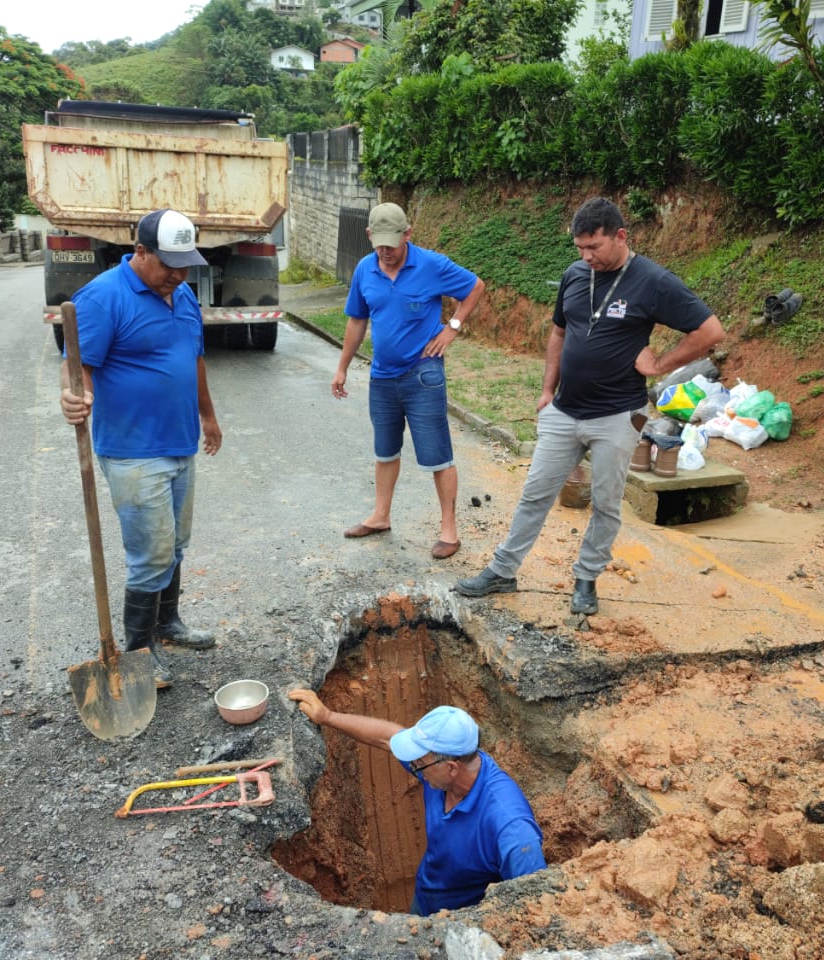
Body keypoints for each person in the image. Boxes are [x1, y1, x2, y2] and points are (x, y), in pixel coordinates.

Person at [455, 197, 725, 616]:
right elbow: (558, 335)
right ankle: (503, 570)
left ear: (620, 236)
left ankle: (586, 579)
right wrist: (548, 391)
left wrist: (659, 365)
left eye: (594, 247)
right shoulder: (575, 275)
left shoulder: (653, 281)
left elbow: (709, 330)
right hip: (565, 411)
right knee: (535, 494)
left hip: (618, 416)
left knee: (605, 502)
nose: (586, 257)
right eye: (580, 248)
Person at [59, 208, 223, 690]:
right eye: (168, 263)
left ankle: (167, 623)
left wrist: (207, 415)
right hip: (131, 450)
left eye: (185, 263)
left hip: (179, 442)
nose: (178, 273)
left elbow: (193, 359)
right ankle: (137, 651)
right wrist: (75, 398)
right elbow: (79, 367)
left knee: (174, 543)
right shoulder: (103, 298)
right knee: (150, 553)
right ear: (140, 252)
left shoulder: (184, 295)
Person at [286, 690, 546, 915]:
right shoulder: (438, 771)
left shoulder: (511, 829)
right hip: (425, 900)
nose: (413, 768)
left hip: (463, 926)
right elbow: (388, 737)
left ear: (452, 767)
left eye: (418, 763)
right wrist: (328, 717)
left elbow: (533, 908)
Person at [333, 202, 486, 561]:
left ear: (408, 234)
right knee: (384, 450)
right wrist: (342, 366)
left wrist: (452, 329)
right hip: (382, 377)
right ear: (369, 236)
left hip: (424, 373)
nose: (385, 253)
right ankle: (381, 516)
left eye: (392, 244)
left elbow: (475, 287)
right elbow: (357, 320)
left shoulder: (430, 264)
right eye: (379, 245)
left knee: (437, 455)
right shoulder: (364, 269)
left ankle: (449, 530)